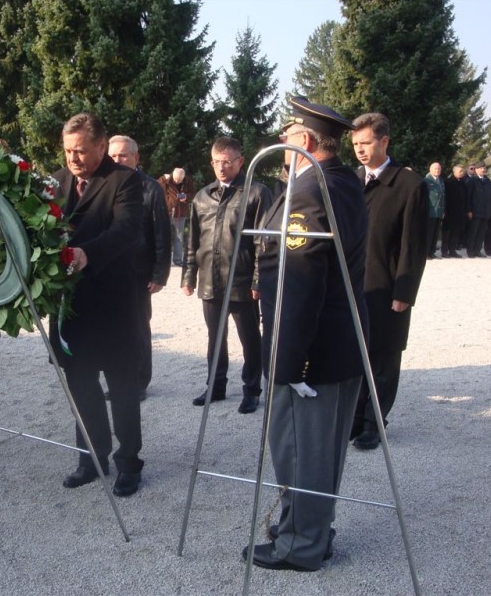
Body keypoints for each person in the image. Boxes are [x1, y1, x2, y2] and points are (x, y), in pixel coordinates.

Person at [243, 97, 368, 571]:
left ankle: (301, 545)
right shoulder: (340, 180)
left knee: (301, 451)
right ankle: (311, 527)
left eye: (289, 135)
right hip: (338, 341)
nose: (281, 141)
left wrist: (288, 361)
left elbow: (299, 281)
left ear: (307, 141)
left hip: (310, 349)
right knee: (320, 452)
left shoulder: (311, 190)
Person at [49, 113, 145, 497]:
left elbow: (126, 230)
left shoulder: (124, 180)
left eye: (81, 151)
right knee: (81, 385)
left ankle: (129, 463)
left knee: (122, 390)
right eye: (68, 151)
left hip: (113, 307)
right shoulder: (56, 181)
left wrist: (88, 254)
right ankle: (91, 458)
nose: (73, 158)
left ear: (102, 146)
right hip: (70, 309)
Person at [350, 112, 428, 450]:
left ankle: (374, 423)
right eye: (355, 144)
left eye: (366, 143)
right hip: (353, 285)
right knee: (355, 355)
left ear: (384, 141)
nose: (360, 150)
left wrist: (405, 291)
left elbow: (414, 245)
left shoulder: (409, 185)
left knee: (383, 358)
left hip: (387, 286)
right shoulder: (352, 180)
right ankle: (354, 418)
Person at [181, 136, 271, 414]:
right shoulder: (202, 197)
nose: (221, 167)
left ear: (240, 161)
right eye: (216, 162)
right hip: (210, 281)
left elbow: (264, 240)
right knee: (215, 337)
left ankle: (251, 390)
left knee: (250, 339)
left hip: (242, 281)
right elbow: (192, 240)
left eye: (228, 162)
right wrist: (188, 276)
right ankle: (216, 386)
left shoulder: (256, 193)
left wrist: (258, 278)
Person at [108, 135, 171, 399]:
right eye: (113, 156)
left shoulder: (151, 189)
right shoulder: (105, 186)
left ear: (136, 157)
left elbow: (163, 234)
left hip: (138, 272)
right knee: (113, 328)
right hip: (109, 271)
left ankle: (139, 382)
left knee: (138, 329)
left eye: (123, 155)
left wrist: (160, 274)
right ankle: (117, 381)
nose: (117, 160)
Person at [158, 168, 195, 266]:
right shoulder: (166, 180)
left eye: (179, 180)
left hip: (180, 213)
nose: (177, 181)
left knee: (179, 237)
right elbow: (157, 187)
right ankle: (163, 260)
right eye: (175, 179)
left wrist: (186, 197)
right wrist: (164, 179)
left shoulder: (188, 181)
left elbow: (192, 193)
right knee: (164, 236)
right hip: (167, 212)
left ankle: (177, 260)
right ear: (172, 175)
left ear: (183, 177)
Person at [465, 162, 491, 258]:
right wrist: (469, 210)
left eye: (484, 168)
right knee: (473, 232)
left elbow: (490, 197)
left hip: (485, 211)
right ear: (476, 170)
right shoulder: (472, 181)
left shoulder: (487, 181)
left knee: (481, 233)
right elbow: (468, 196)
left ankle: (477, 250)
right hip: (475, 211)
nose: (483, 170)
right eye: (481, 168)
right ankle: (470, 251)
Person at [441, 165, 468, 258]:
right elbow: (445, 198)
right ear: (454, 172)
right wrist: (445, 211)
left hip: (459, 212)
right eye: (460, 171)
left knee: (456, 232)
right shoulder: (448, 182)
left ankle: (452, 250)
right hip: (449, 212)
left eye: (463, 171)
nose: (462, 173)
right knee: (447, 232)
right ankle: (444, 251)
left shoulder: (463, 183)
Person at [423, 162, 444, 259]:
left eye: (439, 169)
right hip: (430, 211)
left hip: (438, 211)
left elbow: (443, 197)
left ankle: (432, 251)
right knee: (429, 233)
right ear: (430, 170)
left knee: (435, 233)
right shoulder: (426, 181)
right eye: (435, 169)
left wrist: (443, 210)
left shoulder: (441, 180)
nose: (437, 170)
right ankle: (426, 253)